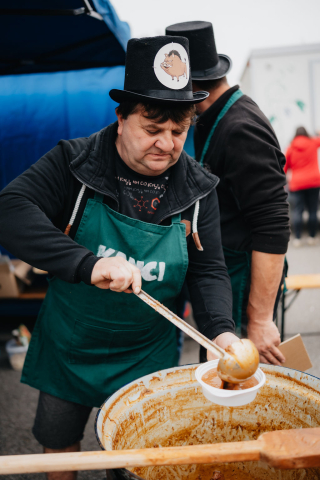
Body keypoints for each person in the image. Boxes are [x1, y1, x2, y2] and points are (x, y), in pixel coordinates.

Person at [0, 36, 239, 480]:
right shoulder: (72, 162)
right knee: (61, 451)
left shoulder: (198, 187)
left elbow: (208, 270)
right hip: (70, 344)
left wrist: (221, 332)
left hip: (146, 355)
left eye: (178, 131)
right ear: (121, 118)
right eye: (152, 129)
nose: (167, 145)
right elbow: (10, 210)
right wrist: (88, 264)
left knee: (138, 463)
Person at [165, 21, 290, 365]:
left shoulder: (240, 127)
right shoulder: (214, 117)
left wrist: (259, 319)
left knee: (239, 382)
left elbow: (273, 226)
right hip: (223, 272)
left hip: (242, 282)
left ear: (190, 86)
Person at [285, 126, 320, 246]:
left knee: (297, 211)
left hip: (297, 184)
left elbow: (285, 167)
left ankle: (298, 238)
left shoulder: (291, 148)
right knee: (312, 211)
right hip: (313, 182)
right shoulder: (313, 142)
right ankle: (312, 237)